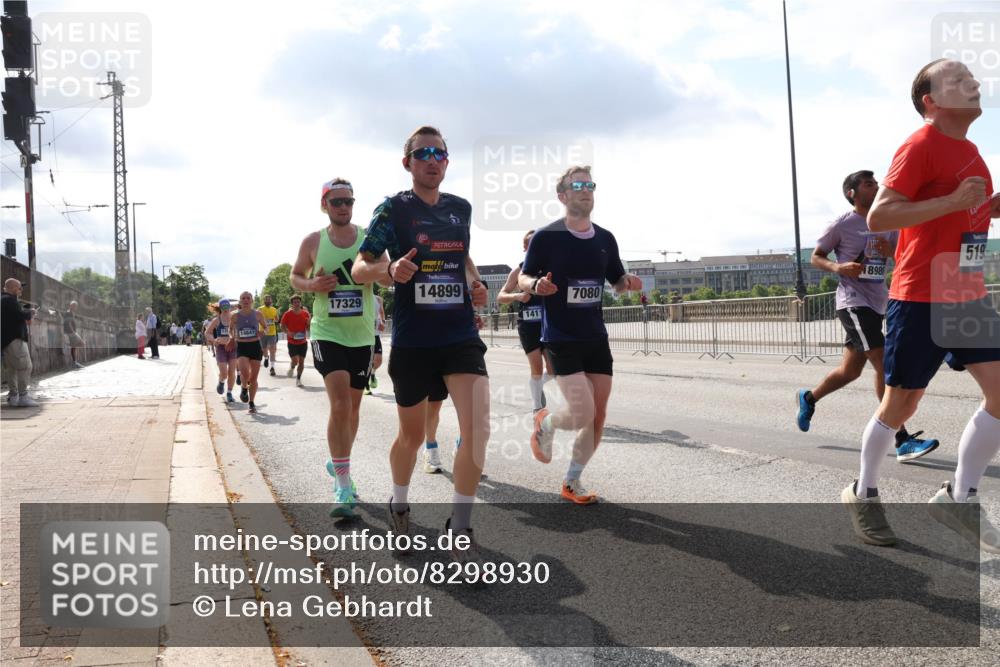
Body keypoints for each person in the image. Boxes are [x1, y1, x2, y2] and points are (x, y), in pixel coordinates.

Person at [841, 59, 1000, 552]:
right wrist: (953, 201)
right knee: (902, 403)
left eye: (972, 78)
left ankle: (959, 497)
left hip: (965, 290)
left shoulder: (971, 151)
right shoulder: (920, 145)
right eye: (959, 80)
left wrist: (989, 206)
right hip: (921, 293)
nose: (973, 83)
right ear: (931, 101)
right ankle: (863, 492)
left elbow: (964, 213)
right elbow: (881, 215)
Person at [351, 125, 490, 561]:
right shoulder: (393, 209)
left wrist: (476, 283)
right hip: (414, 341)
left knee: (478, 429)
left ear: (447, 161)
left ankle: (460, 530)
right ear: (407, 162)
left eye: (440, 154)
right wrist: (389, 271)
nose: (433, 160)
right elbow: (359, 268)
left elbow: (462, 257)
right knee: (410, 437)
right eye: (424, 153)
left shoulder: (460, 209)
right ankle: (399, 504)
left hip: (460, 335)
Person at [520, 165, 642, 505]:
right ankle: (545, 423)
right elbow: (524, 277)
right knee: (581, 413)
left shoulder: (605, 239)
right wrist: (537, 285)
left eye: (590, 185)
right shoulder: (546, 237)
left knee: (597, 417)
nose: (586, 190)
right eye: (578, 186)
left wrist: (627, 283)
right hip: (561, 337)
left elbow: (616, 280)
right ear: (562, 196)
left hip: (595, 337)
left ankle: (572, 482)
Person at [797, 171, 938, 462]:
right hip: (853, 302)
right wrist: (838, 268)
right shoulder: (841, 224)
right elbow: (816, 256)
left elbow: (904, 258)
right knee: (884, 363)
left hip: (878, 302)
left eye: (876, 183)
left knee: (850, 372)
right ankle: (901, 439)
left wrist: (892, 250)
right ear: (852, 193)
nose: (876, 187)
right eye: (868, 184)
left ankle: (808, 398)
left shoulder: (887, 222)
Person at [291, 177, 388, 517]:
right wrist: (312, 285)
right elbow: (295, 276)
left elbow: (386, 274)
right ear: (325, 205)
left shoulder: (368, 239)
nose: (344, 207)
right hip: (327, 332)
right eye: (337, 202)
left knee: (354, 409)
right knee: (341, 404)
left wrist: (376, 271)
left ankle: (339, 462)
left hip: (361, 335)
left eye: (349, 201)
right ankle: (343, 487)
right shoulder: (313, 241)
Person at [497, 229, 554, 414]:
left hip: (548, 325)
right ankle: (537, 409)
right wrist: (518, 296)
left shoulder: (550, 268)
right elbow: (500, 296)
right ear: (525, 248)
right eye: (531, 244)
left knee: (553, 369)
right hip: (528, 325)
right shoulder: (519, 270)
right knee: (536, 366)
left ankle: (538, 386)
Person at [2, 278, 38, 407]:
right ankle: (23, 396)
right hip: (14, 340)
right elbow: (21, 315)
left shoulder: (3, 300)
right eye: (19, 288)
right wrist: (31, 312)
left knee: (12, 369)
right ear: (12, 288)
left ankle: (13, 397)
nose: (21, 290)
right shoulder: (10, 300)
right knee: (25, 366)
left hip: (6, 341)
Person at [233, 292, 267, 414]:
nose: (246, 300)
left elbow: (265, 327)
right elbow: (231, 329)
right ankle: (244, 387)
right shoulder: (235, 316)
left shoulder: (258, 314)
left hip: (255, 346)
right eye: (243, 298)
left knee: (254, 378)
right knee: (245, 372)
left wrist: (263, 332)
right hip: (242, 346)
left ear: (252, 301)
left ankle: (251, 402)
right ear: (240, 301)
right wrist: (232, 338)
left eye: (248, 298)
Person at [205, 300, 237, 403]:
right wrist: (214, 340)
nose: (226, 308)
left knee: (232, 371)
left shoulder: (234, 318)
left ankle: (229, 393)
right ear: (220, 308)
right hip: (221, 348)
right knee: (224, 373)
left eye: (227, 306)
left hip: (233, 347)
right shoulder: (217, 320)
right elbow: (207, 333)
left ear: (230, 307)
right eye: (224, 306)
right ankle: (221, 381)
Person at [280, 294, 311, 387]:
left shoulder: (305, 314)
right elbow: (282, 326)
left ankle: (298, 379)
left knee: (301, 362)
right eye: (295, 302)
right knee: (295, 361)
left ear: (300, 303)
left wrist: (309, 323)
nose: (297, 304)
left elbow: (308, 329)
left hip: (303, 342)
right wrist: (288, 332)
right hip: (292, 342)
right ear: (292, 304)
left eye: (298, 302)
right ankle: (292, 367)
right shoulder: (287, 314)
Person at [365, 293, 386, 395]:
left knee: (378, 360)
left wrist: (382, 322)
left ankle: (372, 373)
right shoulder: (361, 295)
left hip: (375, 334)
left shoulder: (378, 299)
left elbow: (381, 312)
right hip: (363, 334)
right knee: (365, 361)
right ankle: (366, 386)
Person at [259, 295, 279, 375]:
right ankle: (266, 358)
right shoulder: (260, 309)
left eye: (269, 299)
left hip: (272, 332)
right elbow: (256, 319)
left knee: (272, 349)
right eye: (266, 299)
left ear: (271, 301)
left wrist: (274, 319)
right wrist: (263, 321)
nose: (268, 301)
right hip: (263, 332)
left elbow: (277, 319)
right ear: (264, 301)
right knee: (264, 349)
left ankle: (272, 368)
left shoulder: (274, 309)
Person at [63, 300, 85, 369]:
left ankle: (75, 362)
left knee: (74, 346)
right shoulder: (69, 313)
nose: (75, 307)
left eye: (76, 306)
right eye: (74, 306)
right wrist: (73, 332)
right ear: (71, 306)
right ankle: (74, 362)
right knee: (81, 343)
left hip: (71, 332)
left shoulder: (71, 313)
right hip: (71, 332)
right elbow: (69, 323)